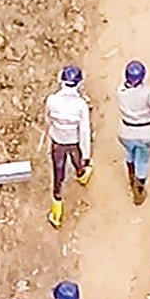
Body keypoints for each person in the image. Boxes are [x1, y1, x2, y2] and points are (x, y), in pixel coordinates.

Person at [115, 60, 150, 204]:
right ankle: (139, 188)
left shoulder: (120, 92)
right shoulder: (148, 92)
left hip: (126, 131)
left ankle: (131, 177)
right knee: (143, 160)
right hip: (145, 132)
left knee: (129, 153)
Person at [46, 65, 92, 227]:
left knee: (58, 174)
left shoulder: (52, 100)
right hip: (73, 142)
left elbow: (48, 120)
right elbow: (85, 131)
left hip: (57, 142)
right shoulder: (80, 105)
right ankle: (82, 175)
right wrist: (86, 153)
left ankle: (56, 213)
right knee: (78, 161)